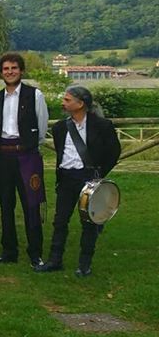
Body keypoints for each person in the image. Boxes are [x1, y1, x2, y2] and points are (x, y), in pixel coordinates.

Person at [36, 86, 120, 277]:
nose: (63, 103)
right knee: (60, 221)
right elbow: (61, 153)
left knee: (89, 222)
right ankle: (55, 260)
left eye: (67, 100)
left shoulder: (103, 125)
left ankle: (84, 264)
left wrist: (99, 172)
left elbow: (114, 152)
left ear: (80, 104)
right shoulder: (59, 128)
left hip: (89, 179)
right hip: (66, 178)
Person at [0, 53, 49, 269]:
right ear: (1, 73)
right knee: (6, 205)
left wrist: (29, 146)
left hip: (27, 156)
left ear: (21, 70)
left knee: (31, 205)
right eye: (6, 69)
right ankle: (9, 251)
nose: (10, 72)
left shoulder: (35, 95)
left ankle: (35, 253)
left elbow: (41, 129)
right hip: (3, 155)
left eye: (14, 68)